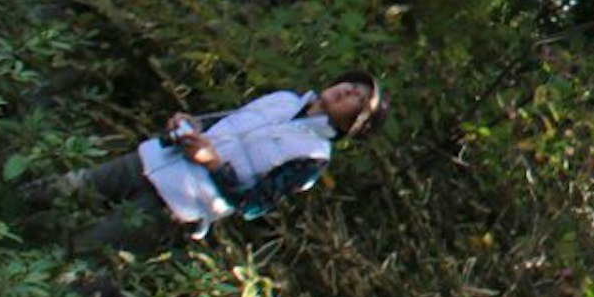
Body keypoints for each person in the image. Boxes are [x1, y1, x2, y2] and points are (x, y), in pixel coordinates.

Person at [39, 76, 381, 252]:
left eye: (358, 99)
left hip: (177, 205)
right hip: (154, 159)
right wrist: (190, 123)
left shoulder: (314, 157)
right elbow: (225, 122)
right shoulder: (284, 99)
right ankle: (0, 202)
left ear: (354, 124)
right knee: (64, 188)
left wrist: (214, 165)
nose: (347, 91)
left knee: (88, 244)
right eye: (350, 86)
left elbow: (254, 205)